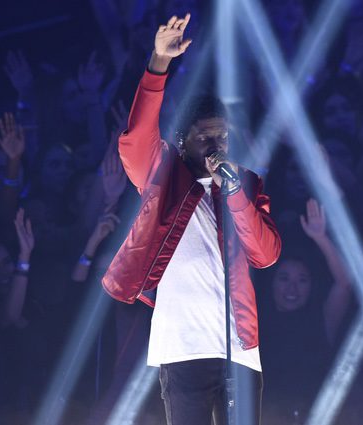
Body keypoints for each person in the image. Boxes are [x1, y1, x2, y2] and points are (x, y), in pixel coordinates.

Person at [101, 13, 281, 425]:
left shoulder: (246, 184)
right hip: (183, 347)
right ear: (183, 140)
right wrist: (158, 64)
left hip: (240, 347)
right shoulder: (163, 174)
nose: (216, 143)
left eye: (222, 135)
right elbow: (133, 142)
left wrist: (234, 192)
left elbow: (266, 254)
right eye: (205, 136)